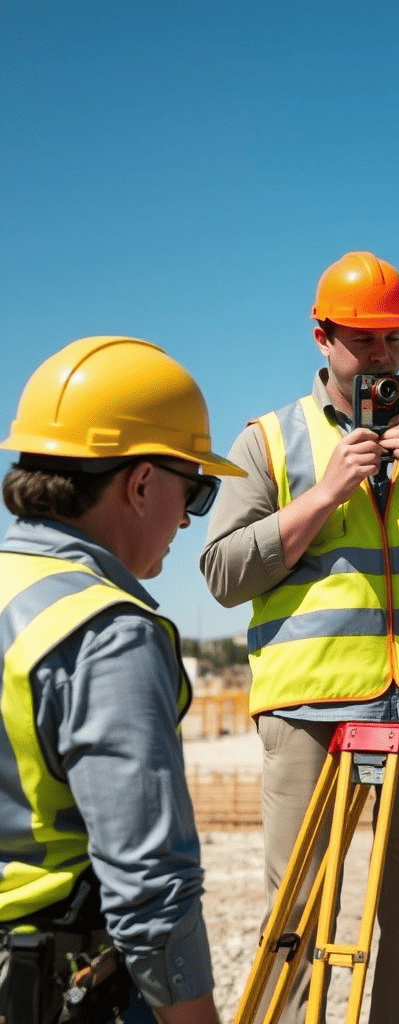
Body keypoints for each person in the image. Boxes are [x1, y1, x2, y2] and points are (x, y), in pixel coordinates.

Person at [200, 251, 399, 1024]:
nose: (380, 357)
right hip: (310, 710)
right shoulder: (269, 442)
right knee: (297, 918)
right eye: (363, 340)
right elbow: (222, 570)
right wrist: (328, 492)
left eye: (394, 341)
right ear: (322, 338)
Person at [0, 336, 244, 1024]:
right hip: (49, 981)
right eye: (193, 492)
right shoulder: (106, 631)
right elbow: (149, 884)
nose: (188, 521)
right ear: (140, 484)